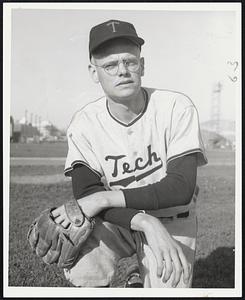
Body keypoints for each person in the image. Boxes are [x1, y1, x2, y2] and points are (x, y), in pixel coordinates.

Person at [52, 19, 208, 288]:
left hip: (173, 217)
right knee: (83, 266)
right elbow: (86, 191)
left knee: (169, 287)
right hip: (120, 221)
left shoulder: (176, 107)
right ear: (93, 73)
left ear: (142, 65)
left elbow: (180, 187)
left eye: (130, 61)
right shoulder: (84, 123)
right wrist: (145, 221)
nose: (122, 71)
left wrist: (102, 197)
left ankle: (140, 273)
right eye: (110, 65)